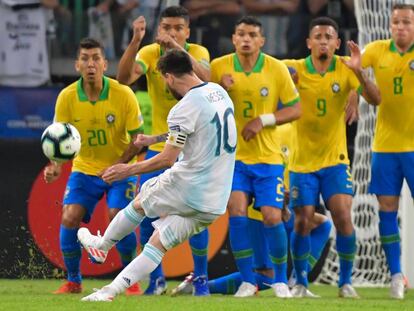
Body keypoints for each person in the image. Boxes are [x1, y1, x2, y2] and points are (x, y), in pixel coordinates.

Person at [77, 49, 237, 302]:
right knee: (158, 243)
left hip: (190, 184)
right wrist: (155, 139)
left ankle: (102, 246)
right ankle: (109, 292)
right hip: (215, 200)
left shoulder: (183, 108)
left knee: (141, 202)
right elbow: (199, 128)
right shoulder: (219, 93)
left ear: (169, 77)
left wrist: (126, 169)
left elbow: (167, 158)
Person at [283, 16, 381, 298]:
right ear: (309, 42)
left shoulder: (346, 69)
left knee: (342, 216)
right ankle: (300, 282)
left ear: (337, 43)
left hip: (335, 161)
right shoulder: (296, 70)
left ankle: (346, 283)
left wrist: (359, 74)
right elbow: (273, 80)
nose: (323, 41)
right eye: (318, 36)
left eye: (329, 37)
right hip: (302, 162)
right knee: (302, 221)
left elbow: (376, 100)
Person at [116, 5, 211, 296]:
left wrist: (180, 51)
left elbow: (207, 79)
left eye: (177, 28)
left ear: (187, 32)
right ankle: (155, 280)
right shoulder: (149, 53)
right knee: (145, 211)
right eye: (166, 28)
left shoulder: (198, 51)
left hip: (193, 151)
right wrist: (135, 42)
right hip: (162, 146)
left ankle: (201, 280)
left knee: (196, 216)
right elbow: (123, 79)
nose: (171, 33)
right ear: (159, 30)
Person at [43, 37, 144, 295]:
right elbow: (59, 140)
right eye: (85, 58)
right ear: (77, 65)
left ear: (105, 63)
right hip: (85, 169)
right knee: (69, 216)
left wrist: (118, 166)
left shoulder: (123, 94)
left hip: (122, 170)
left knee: (116, 216)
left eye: (96, 58)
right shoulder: (66, 97)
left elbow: (138, 140)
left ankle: (128, 279)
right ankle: (74, 282)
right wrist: (55, 165)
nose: (91, 64)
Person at [210, 16, 301, 298]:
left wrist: (264, 119)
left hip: (268, 159)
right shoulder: (218, 67)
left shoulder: (276, 69)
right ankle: (248, 281)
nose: (246, 39)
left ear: (262, 41)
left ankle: (281, 281)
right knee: (236, 212)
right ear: (234, 38)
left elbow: (295, 109)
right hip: (234, 159)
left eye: (252, 34)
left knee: (273, 217)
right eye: (241, 34)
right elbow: (201, 106)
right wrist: (219, 91)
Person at [361, 3, 414, 300]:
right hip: (385, 147)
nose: (400, 27)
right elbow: (350, 70)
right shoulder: (376, 50)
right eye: (396, 22)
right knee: (387, 211)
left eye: (406, 22)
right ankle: (396, 275)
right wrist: (354, 95)